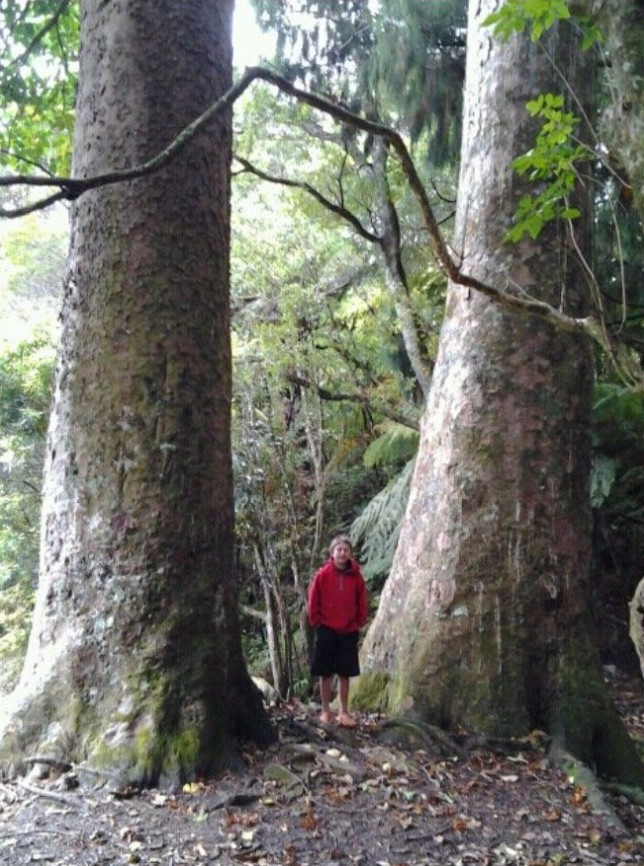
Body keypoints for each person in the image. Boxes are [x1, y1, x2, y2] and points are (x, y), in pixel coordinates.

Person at [307, 534, 369, 726]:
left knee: (344, 673)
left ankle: (343, 712)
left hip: (348, 630)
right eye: (339, 550)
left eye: (346, 550)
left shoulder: (356, 577)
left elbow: (362, 601)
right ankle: (325, 711)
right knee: (325, 673)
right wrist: (316, 621)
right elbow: (313, 600)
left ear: (350, 553)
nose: (342, 553)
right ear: (332, 553)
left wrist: (358, 621)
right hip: (326, 629)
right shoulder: (323, 575)